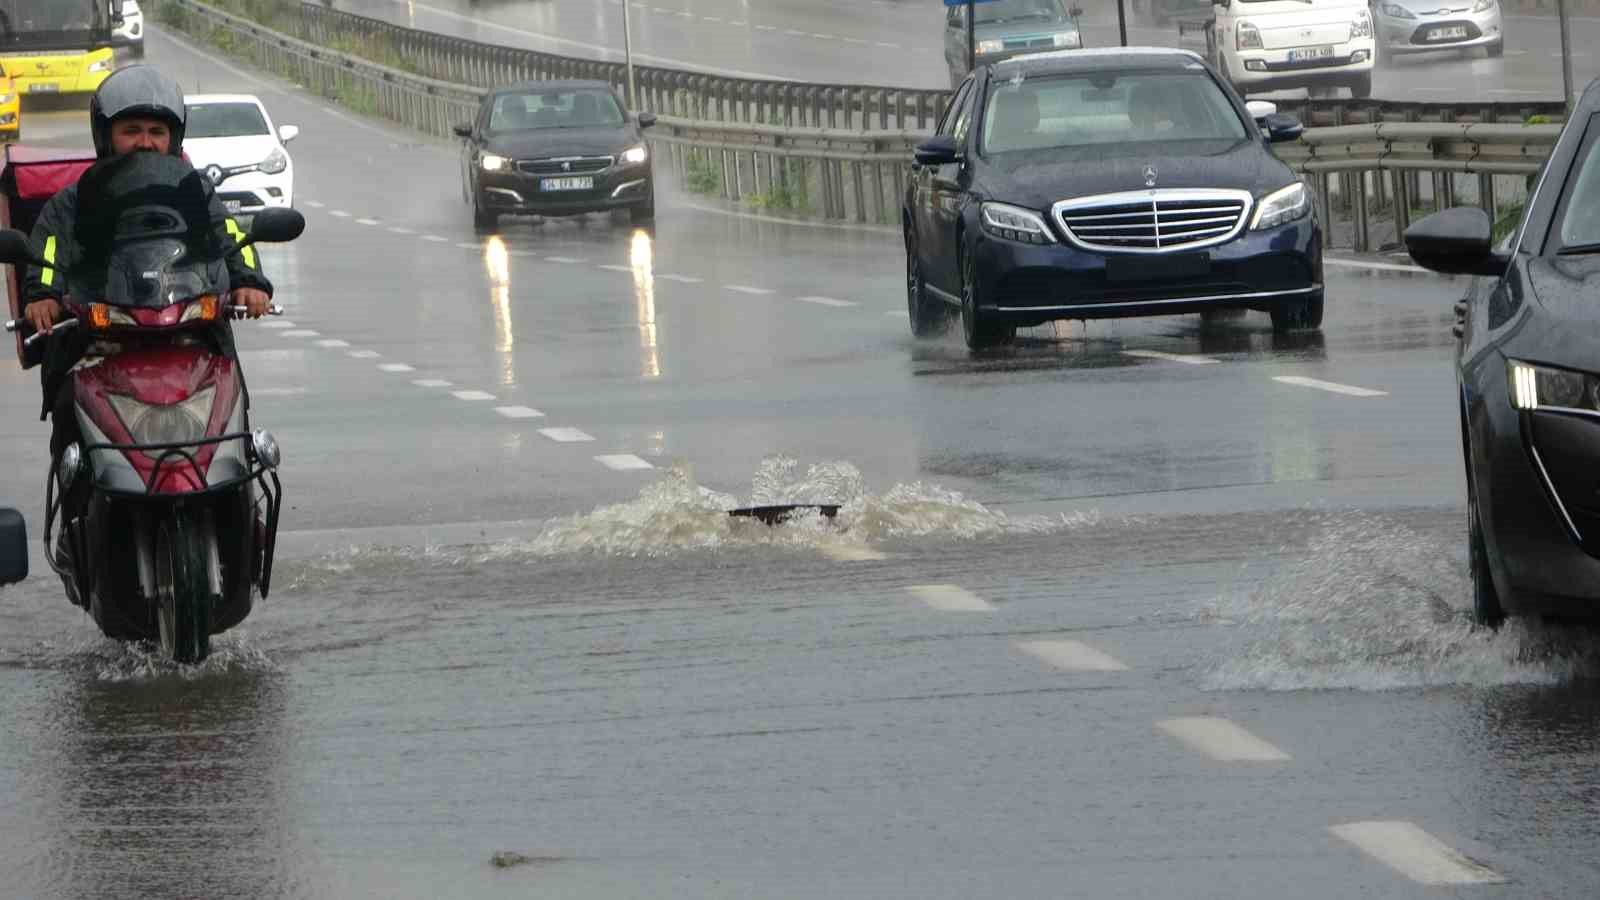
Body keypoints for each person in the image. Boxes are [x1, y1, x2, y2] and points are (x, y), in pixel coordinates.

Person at [21, 65, 274, 461]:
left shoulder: (195, 192)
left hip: (187, 329)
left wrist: (250, 282)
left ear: (173, 139)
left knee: (233, 403)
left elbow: (230, 239)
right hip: (103, 338)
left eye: (157, 132)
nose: (146, 142)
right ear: (106, 137)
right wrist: (42, 295)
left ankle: (238, 495)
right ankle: (75, 497)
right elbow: (49, 251)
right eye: (131, 131)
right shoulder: (74, 201)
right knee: (69, 405)